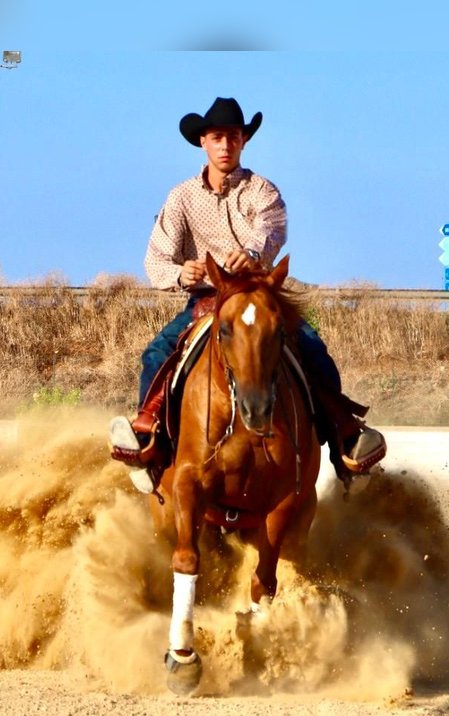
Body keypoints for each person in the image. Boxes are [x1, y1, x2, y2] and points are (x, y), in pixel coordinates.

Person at [109, 96, 385, 493]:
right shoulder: (181, 198)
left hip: (259, 293)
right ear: (203, 141)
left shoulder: (261, 190)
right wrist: (180, 272)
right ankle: (148, 433)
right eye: (218, 137)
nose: (226, 145)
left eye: (234, 137)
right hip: (208, 299)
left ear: (243, 142)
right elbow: (156, 259)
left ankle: (344, 435)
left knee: (310, 346)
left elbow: (273, 230)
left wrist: (254, 253)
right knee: (158, 352)